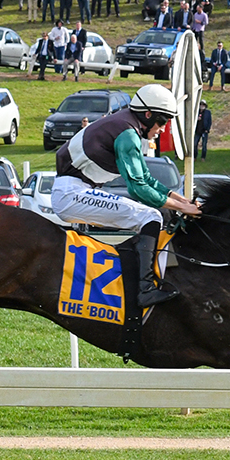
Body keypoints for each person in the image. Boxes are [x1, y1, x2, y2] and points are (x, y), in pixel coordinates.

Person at [47, 83, 203, 328]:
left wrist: (182, 201)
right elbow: (138, 189)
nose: (162, 130)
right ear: (148, 115)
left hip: (76, 189)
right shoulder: (128, 134)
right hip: (71, 194)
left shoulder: (127, 125)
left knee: (156, 214)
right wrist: (183, 208)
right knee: (151, 217)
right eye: (162, 123)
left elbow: (148, 180)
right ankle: (144, 288)